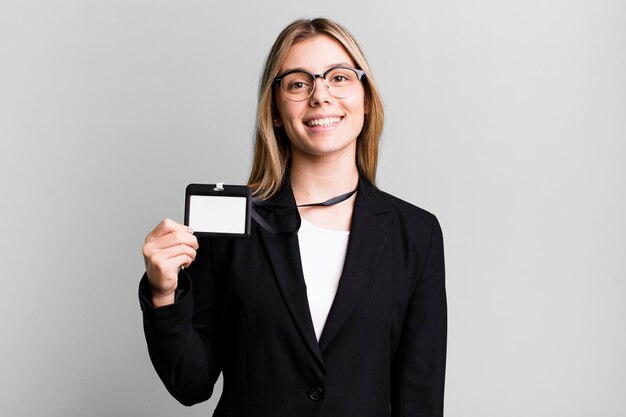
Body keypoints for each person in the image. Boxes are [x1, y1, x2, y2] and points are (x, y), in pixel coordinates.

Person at [140, 18, 447, 416]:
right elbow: (190, 383)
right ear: (276, 111)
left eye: (339, 77)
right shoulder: (232, 226)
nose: (321, 95)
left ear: (366, 99)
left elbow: (418, 399)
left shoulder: (416, 235)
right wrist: (164, 294)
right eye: (299, 83)